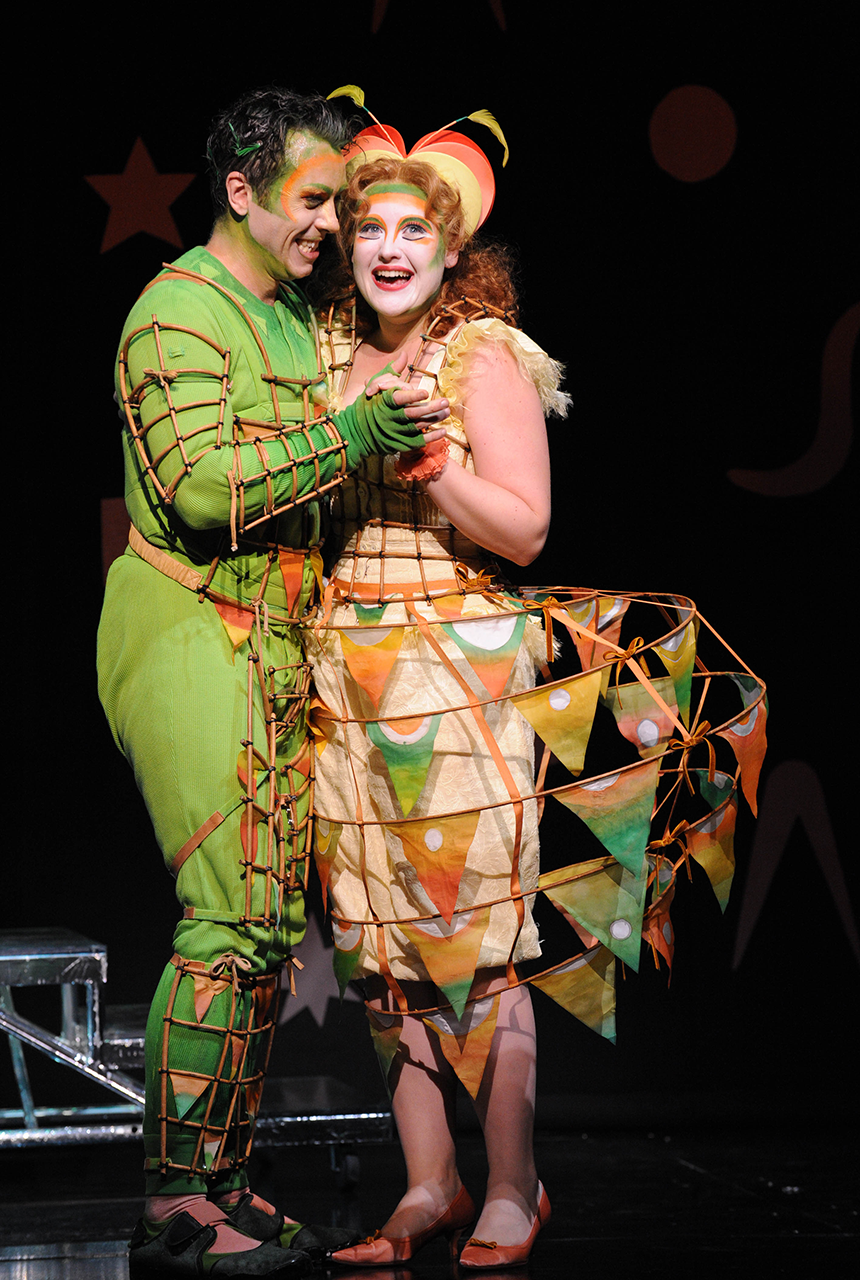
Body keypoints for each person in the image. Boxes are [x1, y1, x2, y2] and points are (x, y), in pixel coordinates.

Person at [97, 87, 449, 1280]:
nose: (330, 226)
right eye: (313, 201)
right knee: (227, 919)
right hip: (190, 625)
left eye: (335, 204)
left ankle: (222, 1176)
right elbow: (201, 488)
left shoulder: (306, 316)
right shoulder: (175, 314)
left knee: (264, 926)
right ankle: (171, 1197)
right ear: (240, 194)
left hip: (281, 639)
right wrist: (356, 441)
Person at [307, 114, 569, 1269]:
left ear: (452, 248)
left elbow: (524, 525)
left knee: (477, 942)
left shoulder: (483, 355)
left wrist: (440, 468)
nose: (390, 247)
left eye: (415, 228)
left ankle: (513, 1181)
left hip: (454, 670)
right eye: (370, 227)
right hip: (342, 679)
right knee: (373, 946)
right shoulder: (320, 355)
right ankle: (428, 1181)